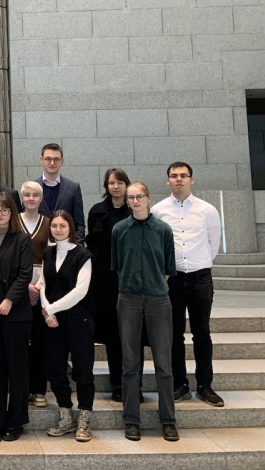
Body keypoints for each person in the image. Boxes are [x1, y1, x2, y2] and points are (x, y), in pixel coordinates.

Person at [151, 162, 224, 407]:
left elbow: (213, 244)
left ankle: (205, 385)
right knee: (174, 334)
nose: (178, 179)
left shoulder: (207, 210)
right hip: (173, 279)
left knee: (202, 332)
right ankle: (179, 384)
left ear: (191, 180)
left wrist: (198, 263)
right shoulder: (159, 210)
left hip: (200, 277)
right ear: (167, 181)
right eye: (174, 176)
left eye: (183, 176)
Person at [112, 182, 178, 442]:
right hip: (128, 299)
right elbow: (117, 265)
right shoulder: (120, 230)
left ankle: (169, 420)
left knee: (164, 363)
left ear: (149, 199)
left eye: (140, 196)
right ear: (127, 201)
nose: (135, 201)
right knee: (130, 364)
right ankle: (131, 420)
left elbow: (168, 267)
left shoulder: (163, 230)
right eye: (131, 197)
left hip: (158, 300)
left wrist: (153, 286)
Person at [0, 192, 33, 444]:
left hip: (16, 314)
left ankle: (16, 421)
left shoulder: (22, 239)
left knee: (17, 369)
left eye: (5, 209)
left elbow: (25, 274)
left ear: (12, 212)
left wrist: (9, 300)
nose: (0, 213)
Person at [39, 210, 95, 442]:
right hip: (53, 322)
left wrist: (51, 309)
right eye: (54, 226)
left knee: (83, 370)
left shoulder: (83, 254)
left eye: (63, 226)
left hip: (78, 319)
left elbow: (80, 291)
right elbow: (42, 283)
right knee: (54, 369)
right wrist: (46, 311)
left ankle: (84, 420)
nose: (58, 230)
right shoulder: (48, 252)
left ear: (70, 228)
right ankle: (66, 416)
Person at [85, 168, 131, 402]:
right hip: (103, 283)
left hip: (130, 280)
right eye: (111, 183)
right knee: (112, 335)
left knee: (130, 336)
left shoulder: (135, 210)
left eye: (120, 182)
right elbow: (91, 246)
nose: (115, 187)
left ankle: (132, 385)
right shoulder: (97, 211)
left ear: (126, 185)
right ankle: (117, 384)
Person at [18, 180, 51, 408]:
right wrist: (25, 287)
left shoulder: (49, 224)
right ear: (22, 198)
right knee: (19, 340)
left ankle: (39, 388)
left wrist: (38, 286)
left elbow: (51, 259)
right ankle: (21, 387)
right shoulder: (13, 222)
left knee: (40, 341)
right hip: (17, 286)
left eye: (35, 195)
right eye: (27, 195)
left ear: (40, 199)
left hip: (43, 287)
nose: (31, 198)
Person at [35, 143, 85, 242]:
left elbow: (79, 223)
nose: (52, 163)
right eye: (48, 159)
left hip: (67, 248)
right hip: (39, 249)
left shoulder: (73, 188)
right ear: (41, 160)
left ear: (62, 161)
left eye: (56, 159)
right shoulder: (32, 188)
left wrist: (77, 249)